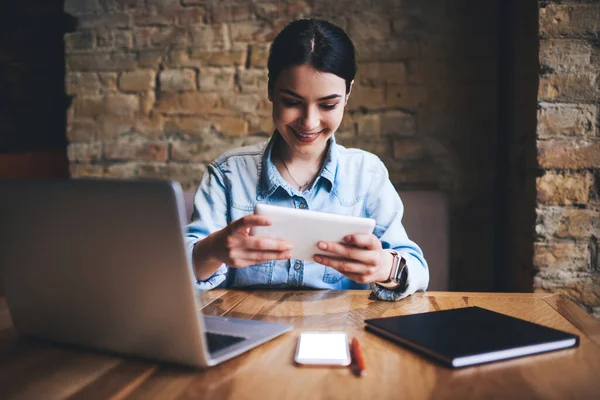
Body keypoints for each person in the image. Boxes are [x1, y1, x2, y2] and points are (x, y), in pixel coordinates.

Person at [184, 18, 429, 301]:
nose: (309, 122)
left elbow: (418, 268)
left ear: (348, 93)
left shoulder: (367, 174)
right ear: (270, 89)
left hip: (342, 332)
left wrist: (386, 267)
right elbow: (178, 273)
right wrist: (213, 250)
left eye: (328, 105)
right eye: (292, 102)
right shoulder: (227, 174)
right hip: (248, 329)